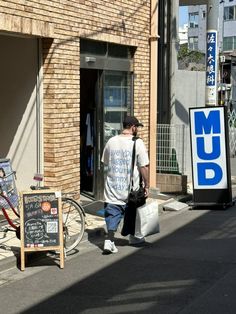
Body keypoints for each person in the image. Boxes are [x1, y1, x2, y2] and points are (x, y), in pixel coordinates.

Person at [101, 116, 149, 254]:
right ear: (133, 127)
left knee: (112, 213)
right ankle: (135, 238)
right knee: (134, 210)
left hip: (113, 184)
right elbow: (143, 166)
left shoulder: (111, 141)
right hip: (129, 187)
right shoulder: (138, 143)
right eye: (137, 127)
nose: (137, 130)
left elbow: (106, 161)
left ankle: (109, 241)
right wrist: (147, 184)